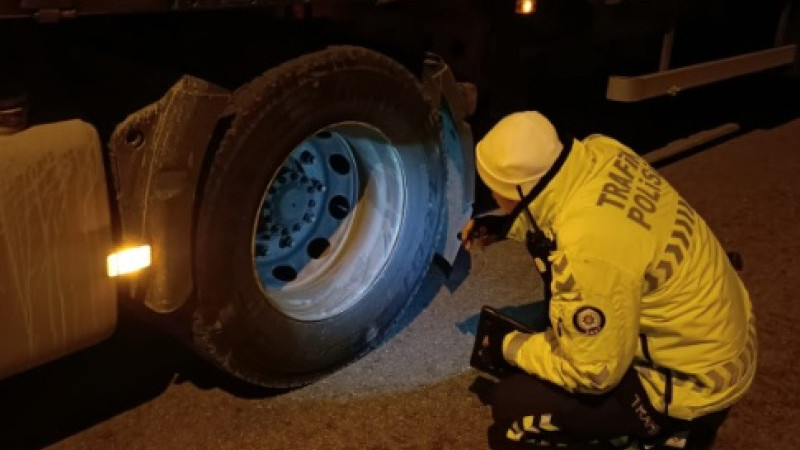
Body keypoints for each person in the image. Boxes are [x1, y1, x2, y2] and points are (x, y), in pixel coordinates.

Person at [461, 111, 757, 449]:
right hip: (721, 341)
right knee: (556, 333)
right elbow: (561, 205)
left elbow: (594, 373)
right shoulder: (601, 153)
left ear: (518, 190)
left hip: (695, 384)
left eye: (494, 190)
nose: (493, 198)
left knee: (511, 405)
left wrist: (509, 347)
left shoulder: (587, 252)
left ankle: (669, 433)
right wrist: (502, 226)